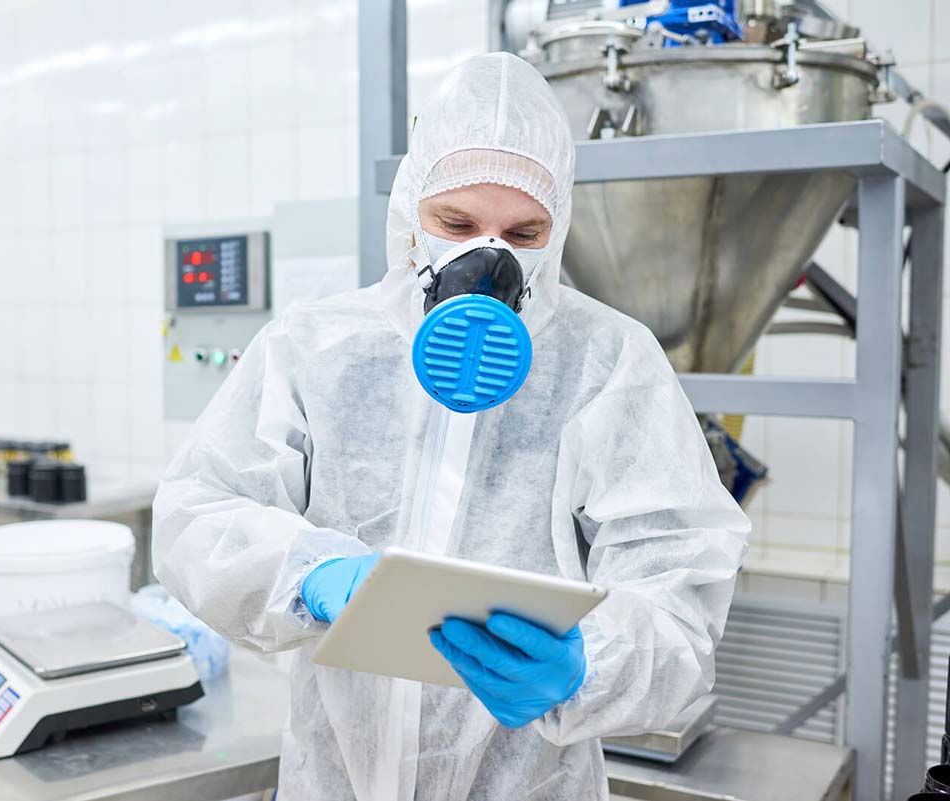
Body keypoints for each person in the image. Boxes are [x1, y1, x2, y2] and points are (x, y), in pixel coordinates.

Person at [152, 52, 749, 801]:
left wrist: (587, 662)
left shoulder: (609, 362)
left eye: (524, 232)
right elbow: (193, 515)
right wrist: (312, 572)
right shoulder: (315, 347)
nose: (487, 257)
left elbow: (680, 607)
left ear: (557, 230)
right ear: (410, 215)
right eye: (456, 223)